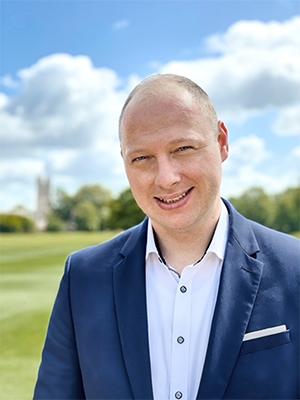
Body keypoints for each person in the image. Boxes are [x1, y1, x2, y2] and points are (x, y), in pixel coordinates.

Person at [34, 74, 300, 399]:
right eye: (142, 158)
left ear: (222, 142)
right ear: (124, 161)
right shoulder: (84, 278)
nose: (166, 178)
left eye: (183, 148)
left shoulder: (294, 268)